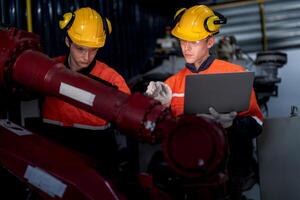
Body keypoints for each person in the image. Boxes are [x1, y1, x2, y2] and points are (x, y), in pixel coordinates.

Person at [145, 5, 263, 200]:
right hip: (185, 173)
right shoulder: (170, 85)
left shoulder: (235, 75)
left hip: (227, 175)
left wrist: (232, 124)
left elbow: (257, 124)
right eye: (183, 40)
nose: (186, 47)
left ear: (210, 41)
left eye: (194, 41)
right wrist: (157, 107)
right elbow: (153, 130)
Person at [35, 7, 131, 179]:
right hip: (54, 148)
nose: (87, 57)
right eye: (80, 48)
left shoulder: (111, 79)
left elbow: (129, 117)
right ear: (67, 41)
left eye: (93, 49)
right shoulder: (48, 71)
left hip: (95, 153)